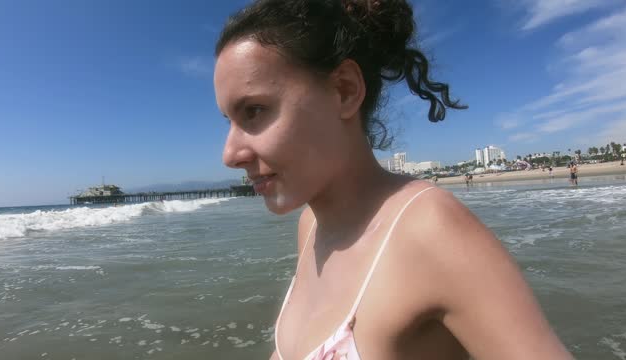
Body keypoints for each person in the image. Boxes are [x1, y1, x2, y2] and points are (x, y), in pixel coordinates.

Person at [214, 1, 572, 359]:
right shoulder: (310, 227)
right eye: (229, 120)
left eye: (254, 111)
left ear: (345, 90)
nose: (230, 154)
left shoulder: (429, 229)